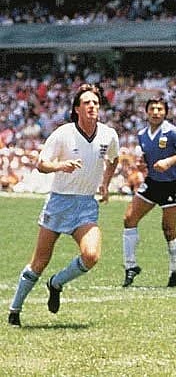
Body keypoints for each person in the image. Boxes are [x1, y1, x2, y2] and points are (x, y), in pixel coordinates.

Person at [8, 84, 119, 327]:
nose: (92, 106)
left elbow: (114, 158)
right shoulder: (63, 134)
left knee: (91, 255)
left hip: (86, 204)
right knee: (40, 261)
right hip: (59, 201)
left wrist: (105, 184)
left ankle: (56, 283)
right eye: (87, 103)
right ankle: (15, 309)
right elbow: (41, 164)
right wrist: (60, 166)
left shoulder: (108, 134)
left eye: (96, 103)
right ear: (77, 108)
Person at [121, 97, 176, 287]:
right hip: (152, 183)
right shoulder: (142, 134)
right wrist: (142, 164)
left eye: (160, 109)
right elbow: (148, 158)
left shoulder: (173, 132)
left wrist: (169, 161)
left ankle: (175, 271)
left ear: (165, 112)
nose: (156, 112)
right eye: (152, 109)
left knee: (168, 230)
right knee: (129, 219)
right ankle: (130, 266)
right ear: (146, 112)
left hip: (171, 184)